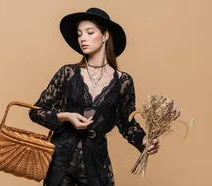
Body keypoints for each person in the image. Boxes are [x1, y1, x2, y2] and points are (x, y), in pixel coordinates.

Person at [28, 7, 160, 186]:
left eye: (90, 32)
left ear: (105, 36)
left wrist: (144, 140)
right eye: (80, 34)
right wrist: (66, 116)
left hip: (96, 162)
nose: (83, 38)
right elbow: (36, 112)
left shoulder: (123, 82)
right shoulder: (68, 73)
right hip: (60, 161)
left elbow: (126, 122)